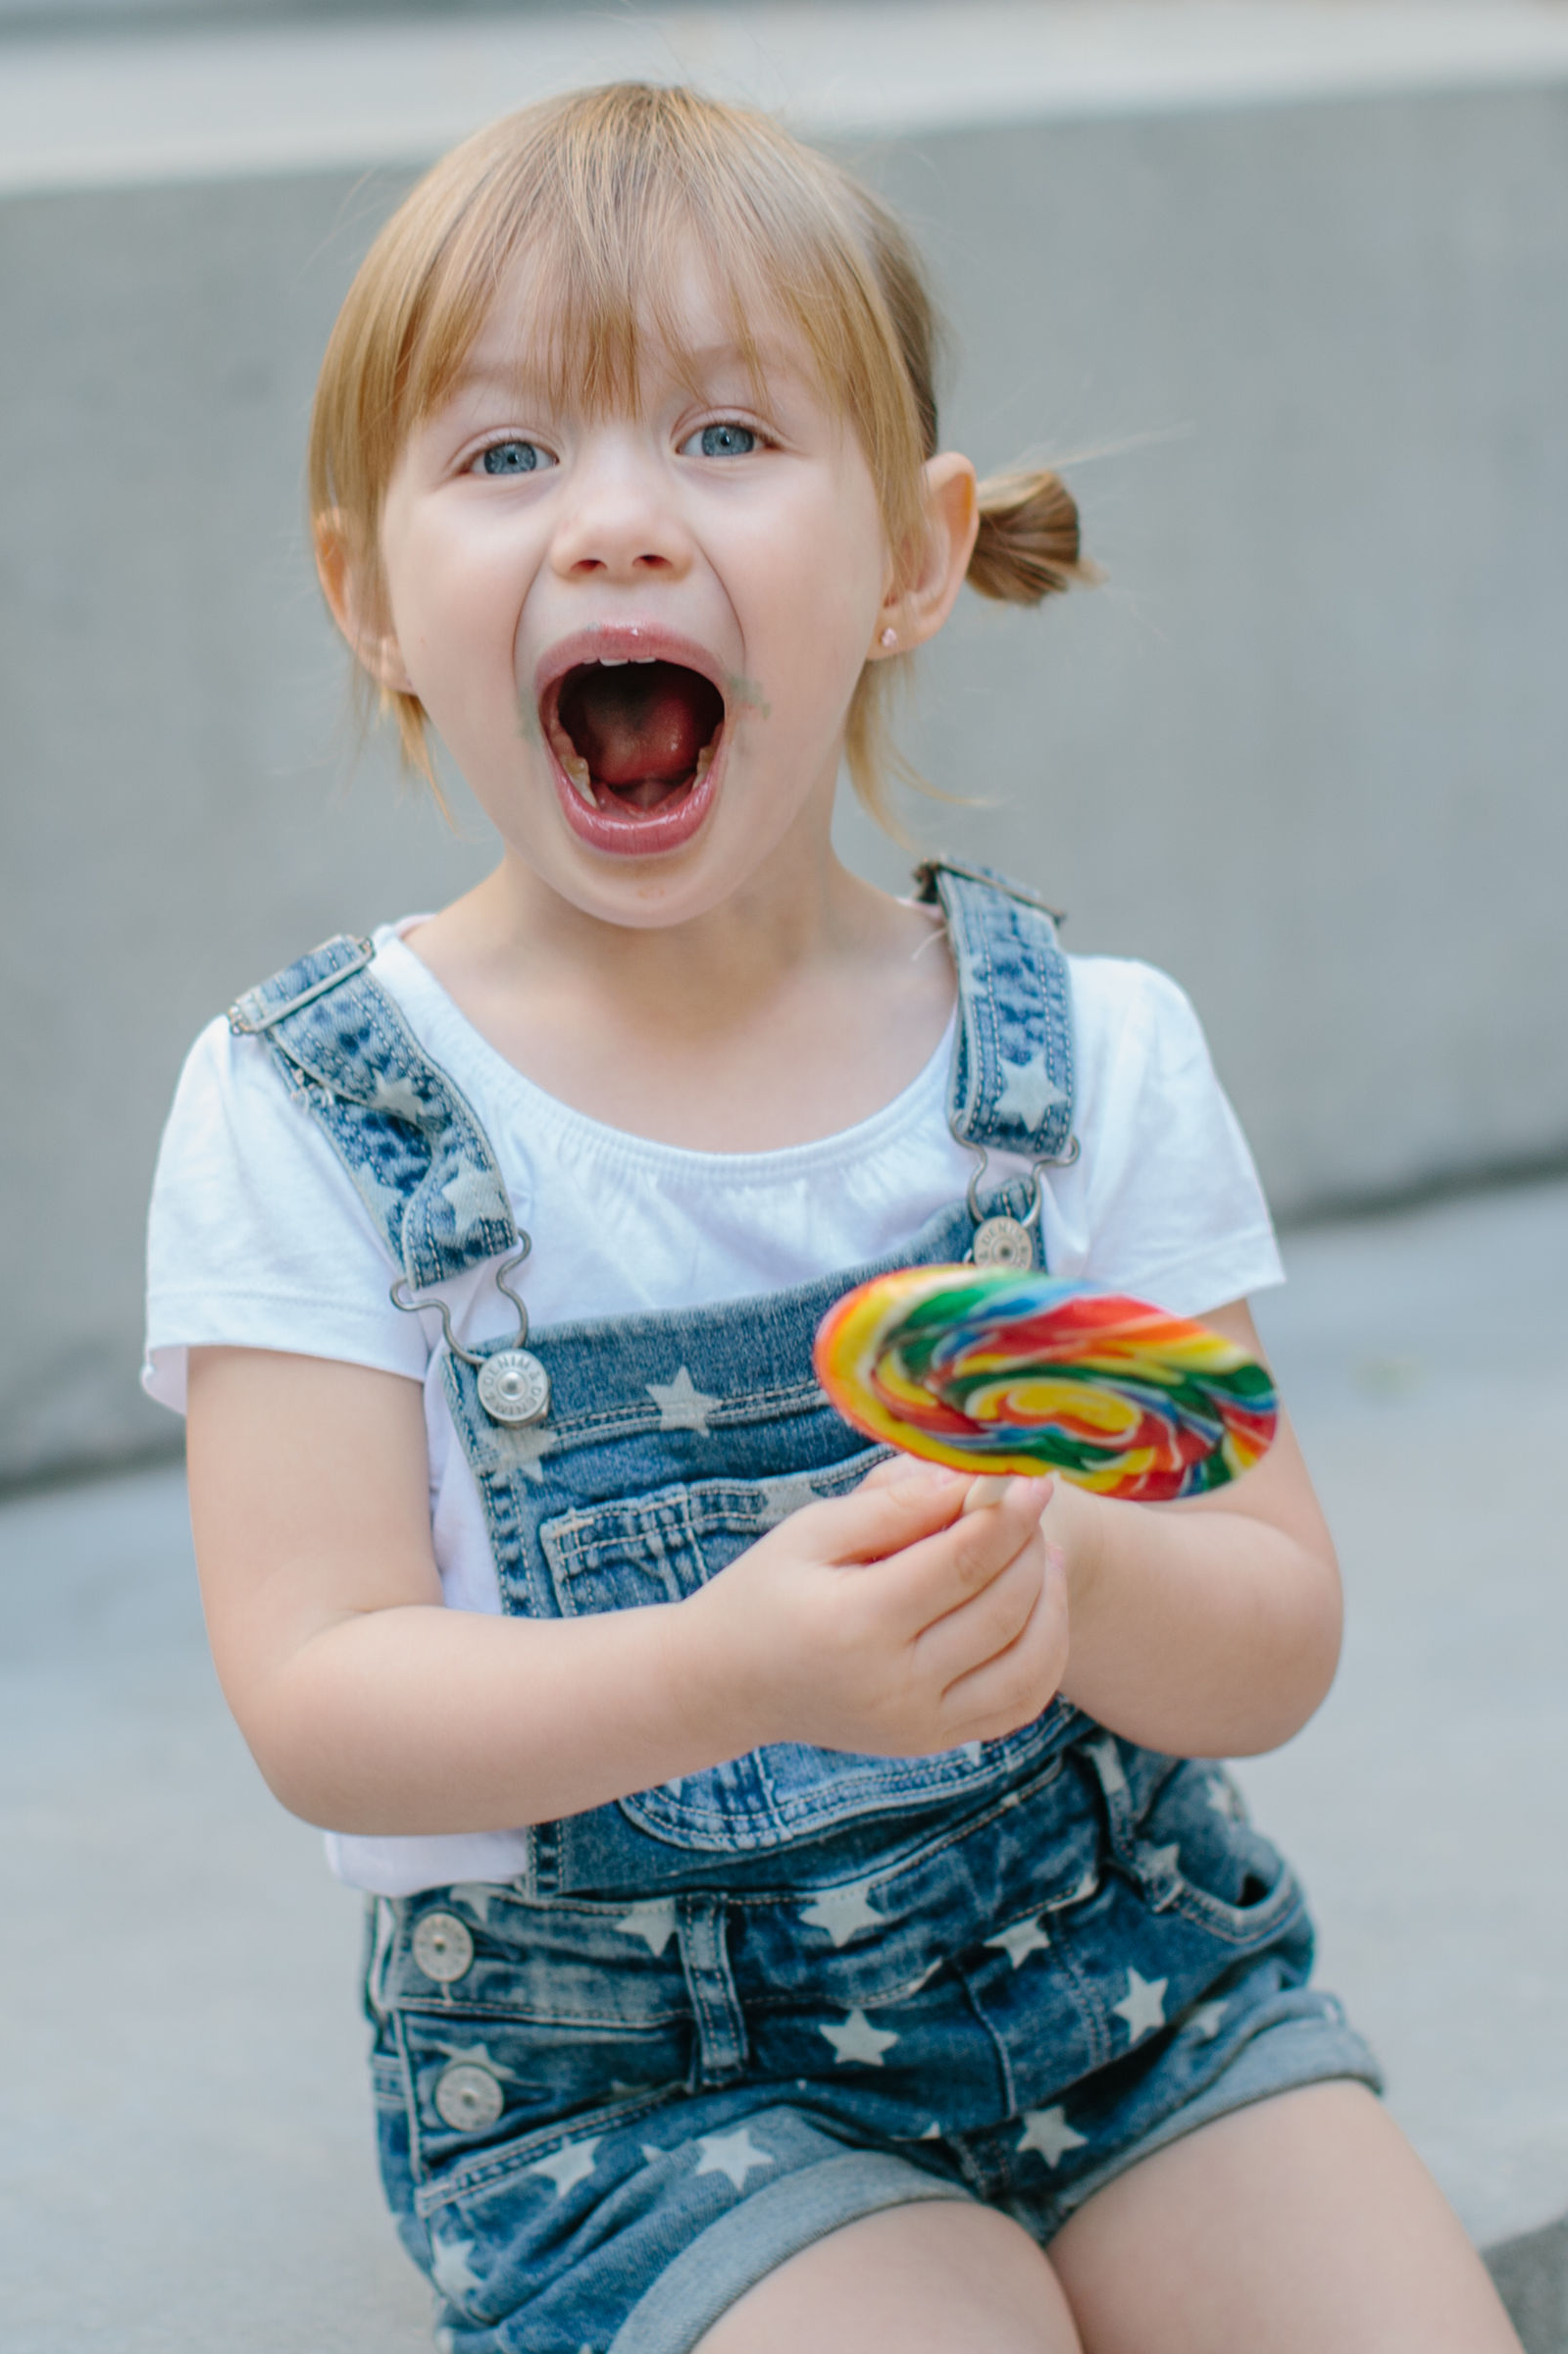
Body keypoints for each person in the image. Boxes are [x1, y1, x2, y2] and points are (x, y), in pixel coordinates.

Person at [143, 82, 1521, 2354]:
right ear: (363, 596)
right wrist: (738, 1671)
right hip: (634, 2091)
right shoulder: (312, 1114)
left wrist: (1066, 1572)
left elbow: (1269, 1619)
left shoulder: (1080, 1061)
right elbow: (320, 1695)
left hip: (1123, 1986)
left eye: (719, 434)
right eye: (504, 457)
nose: (609, 526)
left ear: (908, 548)